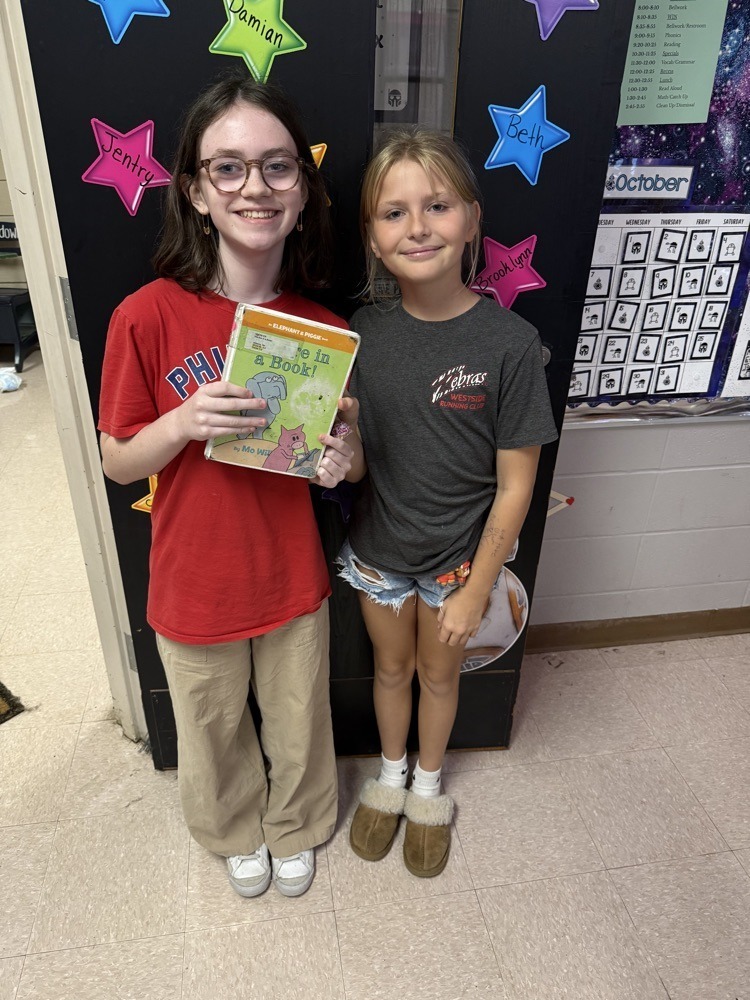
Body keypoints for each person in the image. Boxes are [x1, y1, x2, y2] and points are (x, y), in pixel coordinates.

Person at [98, 75, 359, 899]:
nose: (256, 186)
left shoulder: (325, 329)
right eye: (230, 168)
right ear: (196, 191)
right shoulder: (146, 314)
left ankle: (300, 825)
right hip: (193, 581)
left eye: (278, 167)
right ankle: (231, 829)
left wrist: (341, 461)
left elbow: (342, 463)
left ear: (303, 188)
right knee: (211, 730)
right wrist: (182, 424)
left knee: (299, 724)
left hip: (290, 576)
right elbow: (117, 461)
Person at [338, 127, 558, 878]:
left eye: (435, 205)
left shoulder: (511, 343)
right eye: (393, 213)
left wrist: (480, 586)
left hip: (459, 566)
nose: (417, 227)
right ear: (371, 236)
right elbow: (366, 457)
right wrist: (338, 452)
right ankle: (391, 775)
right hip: (379, 553)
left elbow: (518, 484)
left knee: (438, 675)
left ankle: (430, 786)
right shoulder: (361, 333)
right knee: (390, 671)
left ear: (470, 217)